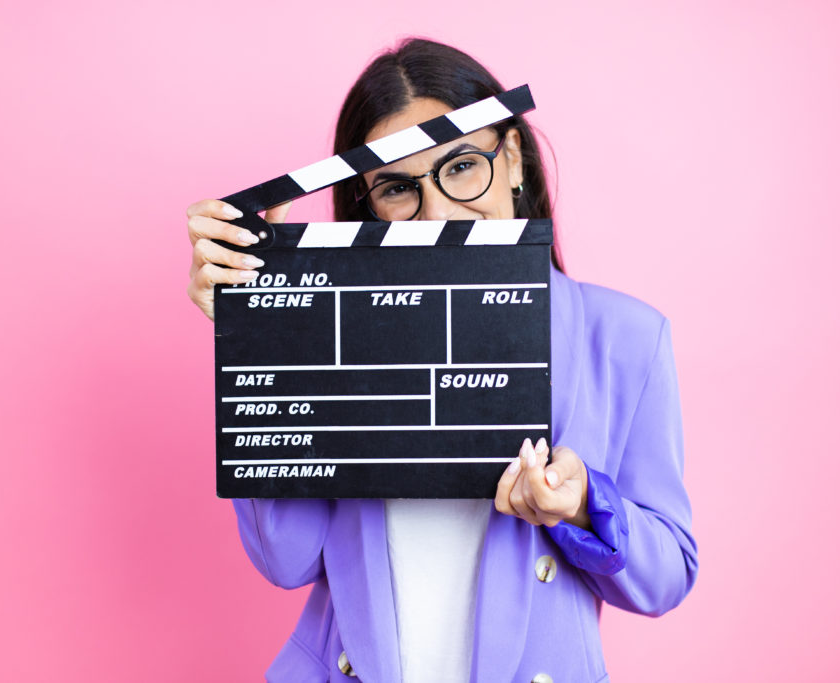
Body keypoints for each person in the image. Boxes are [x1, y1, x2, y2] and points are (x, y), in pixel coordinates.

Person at [186, 38, 697, 683]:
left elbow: (666, 575)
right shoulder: (338, 333)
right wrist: (259, 336)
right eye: (399, 187)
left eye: (460, 167)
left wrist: (582, 502)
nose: (439, 211)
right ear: (368, 206)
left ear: (511, 157)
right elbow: (285, 561)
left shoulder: (626, 338)